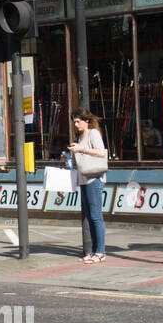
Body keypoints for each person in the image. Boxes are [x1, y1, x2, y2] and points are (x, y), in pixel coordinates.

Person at [68, 108, 107, 263]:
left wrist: (81, 149)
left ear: (87, 121)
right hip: (84, 178)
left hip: (94, 178)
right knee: (90, 217)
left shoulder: (93, 133)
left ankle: (101, 252)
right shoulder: (81, 136)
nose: (76, 124)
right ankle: (94, 251)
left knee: (96, 216)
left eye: (78, 121)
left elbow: (101, 152)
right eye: (74, 122)